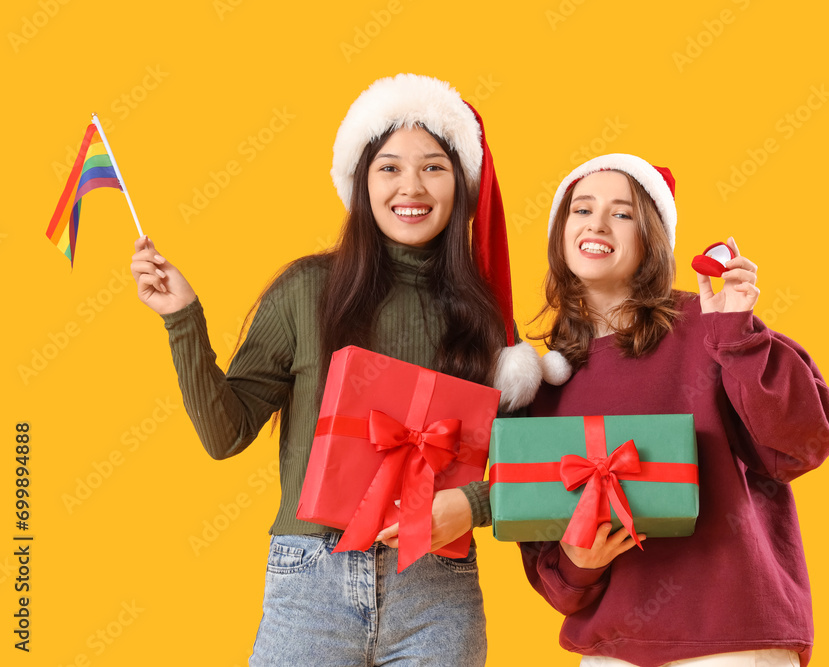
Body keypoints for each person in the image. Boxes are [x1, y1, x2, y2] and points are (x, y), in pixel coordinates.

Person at [130, 73, 540, 666]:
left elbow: (526, 462)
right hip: (310, 588)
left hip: (436, 594)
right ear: (361, 180)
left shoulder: (481, 315)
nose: (411, 187)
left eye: (433, 167)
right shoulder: (306, 290)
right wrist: (182, 319)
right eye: (389, 167)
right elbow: (225, 435)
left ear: (461, 187)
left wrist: (472, 506)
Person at [520, 154, 829, 667]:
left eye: (622, 213)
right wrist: (578, 564)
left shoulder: (710, 323)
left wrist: (739, 336)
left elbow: (800, 445)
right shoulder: (544, 382)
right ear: (561, 233)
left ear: (652, 239)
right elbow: (553, 575)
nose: (597, 223)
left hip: (732, 639)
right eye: (582, 209)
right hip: (611, 650)